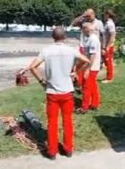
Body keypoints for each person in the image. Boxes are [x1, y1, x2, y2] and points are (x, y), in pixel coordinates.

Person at [19, 27, 90, 160]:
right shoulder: (71, 50)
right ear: (65, 37)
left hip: (52, 92)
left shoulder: (47, 51)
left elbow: (33, 66)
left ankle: (52, 152)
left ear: (53, 37)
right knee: (68, 121)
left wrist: (41, 81)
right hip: (67, 92)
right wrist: (76, 71)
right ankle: (68, 149)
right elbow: (86, 60)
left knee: (52, 122)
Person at [70, 9, 104, 89]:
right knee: (80, 66)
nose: (88, 17)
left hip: (94, 46)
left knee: (89, 66)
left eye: (89, 16)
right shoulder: (84, 21)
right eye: (87, 16)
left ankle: (86, 84)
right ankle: (80, 84)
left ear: (93, 14)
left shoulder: (99, 23)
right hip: (83, 45)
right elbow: (73, 24)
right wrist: (83, 15)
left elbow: (103, 35)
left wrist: (104, 47)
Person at [76, 23, 101, 114]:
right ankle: (95, 104)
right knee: (93, 86)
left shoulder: (93, 40)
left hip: (92, 67)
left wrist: (87, 69)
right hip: (92, 66)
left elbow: (92, 55)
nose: (82, 31)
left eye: (82, 29)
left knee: (86, 87)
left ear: (86, 29)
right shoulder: (90, 39)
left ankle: (84, 107)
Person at [101, 10, 117, 83]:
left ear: (107, 15)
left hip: (108, 46)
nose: (104, 16)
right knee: (106, 61)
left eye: (104, 15)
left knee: (108, 61)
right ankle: (108, 76)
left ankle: (109, 78)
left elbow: (112, 36)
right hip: (105, 45)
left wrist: (107, 47)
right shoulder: (107, 23)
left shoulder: (110, 24)